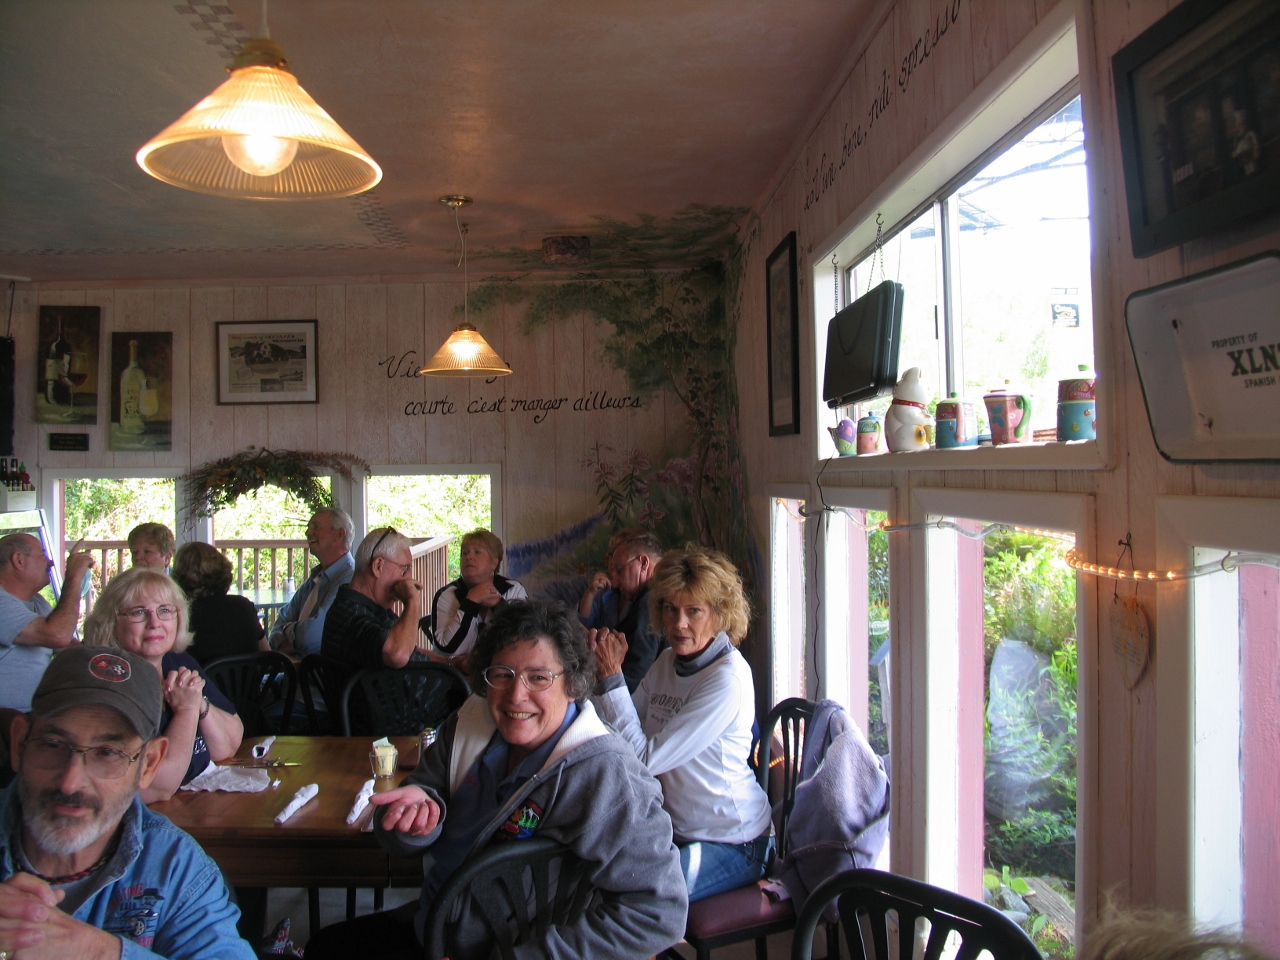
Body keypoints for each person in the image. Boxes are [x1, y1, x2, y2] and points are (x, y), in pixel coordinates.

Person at [305, 600, 687, 960]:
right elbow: (414, 811)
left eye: (539, 677)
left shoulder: (604, 772)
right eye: (502, 674)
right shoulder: (470, 723)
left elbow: (660, 912)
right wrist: (414, 817)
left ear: (572, 683)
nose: (515, 695)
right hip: (437, 926)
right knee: (325, 947)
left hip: (507, 947)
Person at [0, 644, 255, 959]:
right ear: (19, 743)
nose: (70, 782)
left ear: (148, 765)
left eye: (108, 753)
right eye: (53, 745)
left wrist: (98, 952)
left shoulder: (174, 866)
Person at [591, 545, 772, 902]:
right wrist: (599, 678)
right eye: (670, 609)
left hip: (735, 842)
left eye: (694, 611)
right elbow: (618, 731)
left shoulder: (727, 679)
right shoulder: (667, 662)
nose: (678, 624)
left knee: (633, 896)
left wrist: (612, 679)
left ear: (719, 614)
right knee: (590, 870)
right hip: (674, 830)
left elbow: (643, 760)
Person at [82, 568, 242, 802]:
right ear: (111, 622)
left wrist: (199, 702)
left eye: (164, 610)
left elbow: (226, 747)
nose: (154, 622)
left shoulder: (177, 662)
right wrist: (187, 710)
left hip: (194, 803)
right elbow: (156, 786)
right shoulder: (110, 680)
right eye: (138, 612)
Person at [0, 534, 96, 712]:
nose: (50, 562)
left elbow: (68, 646)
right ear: (18, 560)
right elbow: (57, 635)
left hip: (34, 714)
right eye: (42, 555)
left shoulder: (35, 601)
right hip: (8, 720)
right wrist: (73, 578)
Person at [322, 527, 424, 669]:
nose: (409, 578)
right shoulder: (351, 615)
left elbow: (410, 650)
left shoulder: (370, 607)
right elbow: (398, 655)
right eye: (404, 569)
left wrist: (449, 662)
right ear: (378, 566)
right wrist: (413, 600)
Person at [578, 527, 664, 691]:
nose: (615, 582)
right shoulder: (659, 594)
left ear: (643, 563)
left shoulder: (649, 602)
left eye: (619, 570)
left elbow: (635, 676)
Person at [428, 529, 526, 667]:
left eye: (477, 552)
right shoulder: (447, 594)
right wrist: (471, 602)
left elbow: (522, 639)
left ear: (494, 562)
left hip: (502, 671)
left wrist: (498, 605)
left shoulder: (512, 590)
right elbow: (451, 649)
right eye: (464, 553)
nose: (468, 557)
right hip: (454, 676)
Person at [268, 508, 355, 658]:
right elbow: (277, 625)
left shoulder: (349, 579)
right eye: (308, 527)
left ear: (339, 535)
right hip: (296, 674)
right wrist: (286, 642)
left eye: (316, 527)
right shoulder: (317, 577)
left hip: (321, 678)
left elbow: (310, 638)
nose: (308, 532)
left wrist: (288, 629)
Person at [170, 542, 263, 666]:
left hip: (197, 685)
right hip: (247, 685)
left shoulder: (180, 615)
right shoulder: (243, 606)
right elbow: (266, 654)